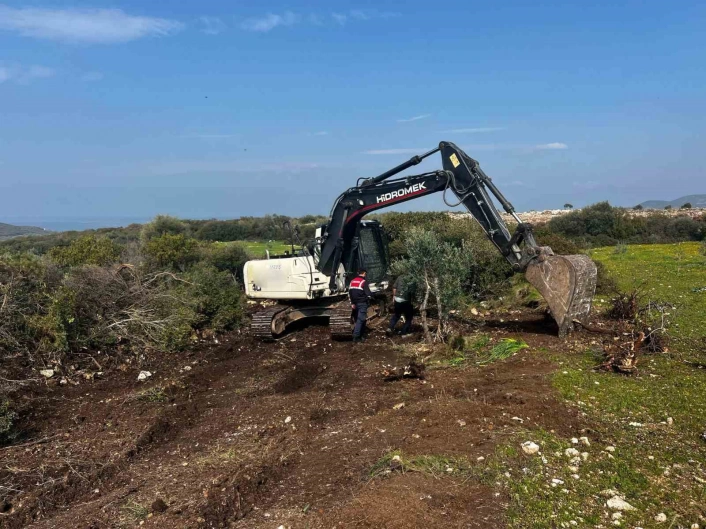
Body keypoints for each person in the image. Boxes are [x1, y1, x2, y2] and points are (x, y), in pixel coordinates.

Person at [349, 268, 372, 342]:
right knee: (361, 319)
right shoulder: (363, 281)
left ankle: (361, 334)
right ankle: (356, 337)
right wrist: (371, 297)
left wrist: (352, 303)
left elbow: (350, 293)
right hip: (362, 303)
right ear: (364, 273)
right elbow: (368, 294)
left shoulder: (352, 281)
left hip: (355, 303)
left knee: (359, 319)